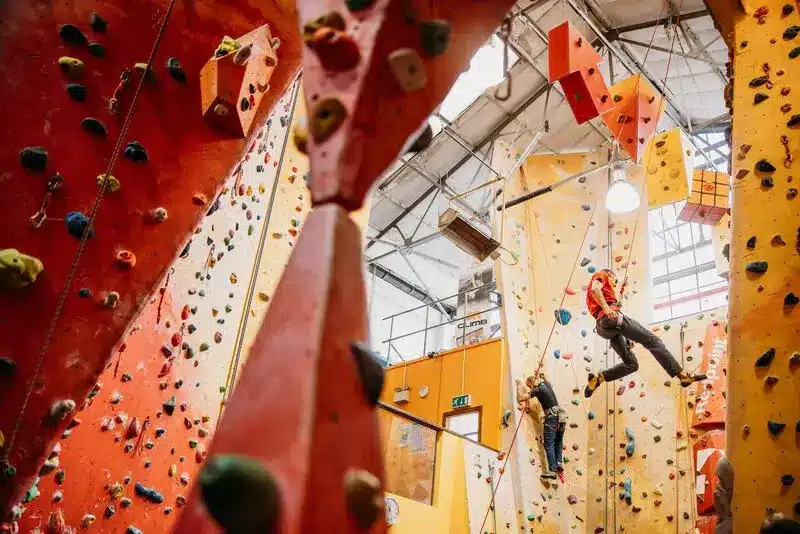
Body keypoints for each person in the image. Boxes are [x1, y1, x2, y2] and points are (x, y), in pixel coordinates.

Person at [583, 268, 706, 398]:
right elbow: (595, 289)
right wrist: (607, 308)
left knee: (632, 365)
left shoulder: (596, 298)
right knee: (653, 341)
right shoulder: (602, 275)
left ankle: (598, 379)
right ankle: (682, 375)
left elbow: (598, 296)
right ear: (610, 275)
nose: (614, 285)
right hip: (610, 319)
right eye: (615, 281)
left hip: (604, 329)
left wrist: (626, 337)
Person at [516, 374, 566, 480]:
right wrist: (543, 377)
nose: (530, 388)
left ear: (531, 383)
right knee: (558, 440)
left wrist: (518, 385)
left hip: (552, 417)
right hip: (561, 416)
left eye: (529, 386)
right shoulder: (546, 384)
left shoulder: (537, 390)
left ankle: (552, 471)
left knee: (549, 444)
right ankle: (559, 463)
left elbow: (521, 398)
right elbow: (547, 381)